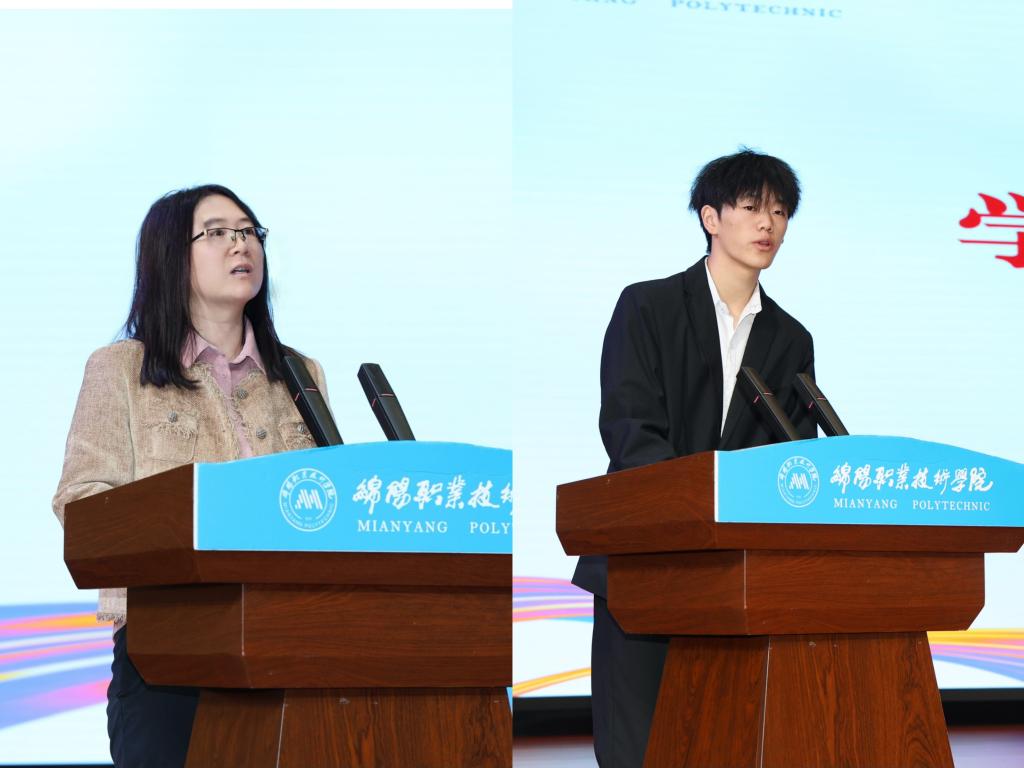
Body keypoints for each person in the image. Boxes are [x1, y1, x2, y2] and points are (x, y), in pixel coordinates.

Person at [52, 184, 328, 768]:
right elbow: (81, 503)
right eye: (218, 232)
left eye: (249, 232)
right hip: (168, 654)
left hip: (292, 643)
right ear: (171, 258)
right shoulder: (121, 369)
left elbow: (331, 505)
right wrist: (193, 517)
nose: (241, 244)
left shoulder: (300, 374)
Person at [571, 149, 818, 767]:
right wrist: (700, 507)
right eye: (751, 207)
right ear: (710, 217)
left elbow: (791, 456)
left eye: (780, 212)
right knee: (637, 749)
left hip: (737, 579)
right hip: (645, 563)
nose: (768, 224)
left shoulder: (791, 338)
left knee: (721, 744)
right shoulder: (647, 306)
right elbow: (629, 428)